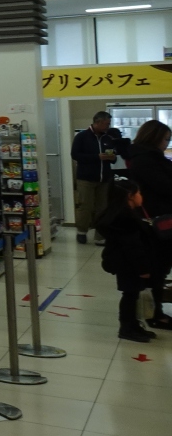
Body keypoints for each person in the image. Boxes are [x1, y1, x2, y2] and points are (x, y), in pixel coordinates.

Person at [98, 177, 164, 341]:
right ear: (130, 196)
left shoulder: (122, 215)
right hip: (129, 264)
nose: (141, 196)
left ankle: (133, 325)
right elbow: (132, 246)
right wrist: (143, 268)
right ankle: (127, 328)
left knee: (132, 294)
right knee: (130, 295)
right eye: (139, 193)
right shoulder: (126, 219)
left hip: (126, 262)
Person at [126, 119, 172, 330]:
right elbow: (165, 187)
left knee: (159, 268)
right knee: (155, 268)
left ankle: (155, 311)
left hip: (158, 220)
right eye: (165, 139)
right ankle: (153, 313)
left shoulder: (150, 157)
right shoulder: (145, 160)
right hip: (155, 222)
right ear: (154, 138)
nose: (166, 143)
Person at [71, 111, 128, 245]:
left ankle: (100, 235)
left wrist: (112, 157)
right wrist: (96, 157)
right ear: (98, 122)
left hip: (104, 179)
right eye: (107, 124)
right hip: (86, 178)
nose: (108, 126)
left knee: (102, 208)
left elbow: (113, 156)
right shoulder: (82, 137)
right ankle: (82, 231)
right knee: (85, 206)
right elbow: (75, 155)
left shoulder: (107, 138)